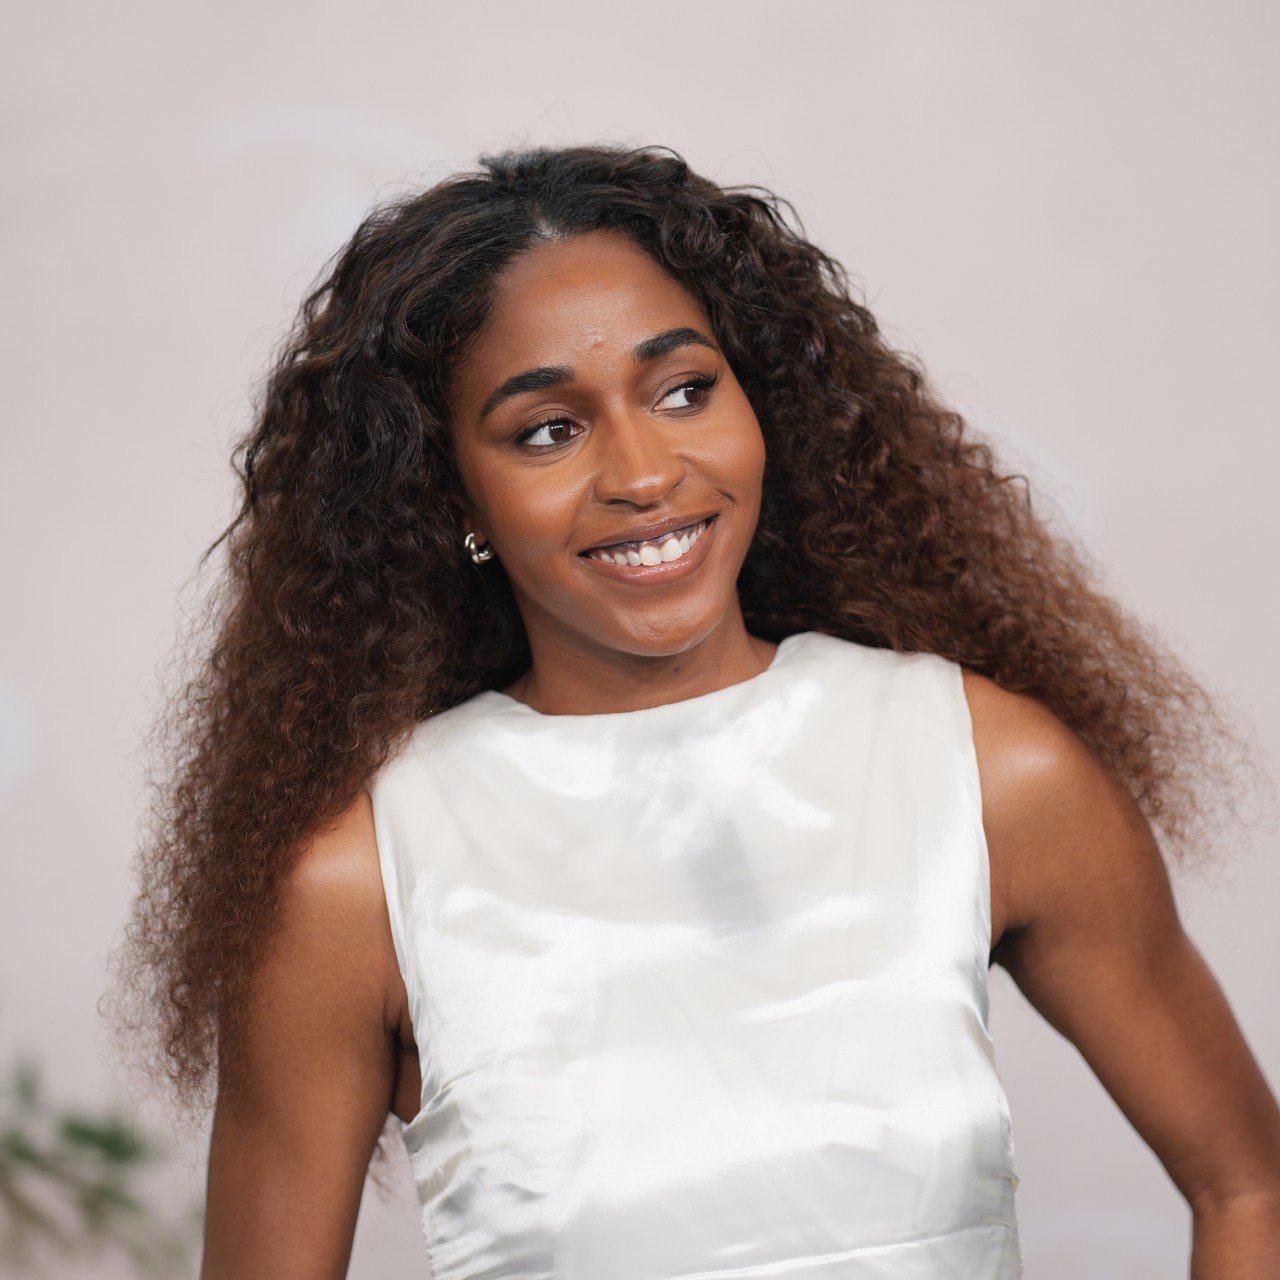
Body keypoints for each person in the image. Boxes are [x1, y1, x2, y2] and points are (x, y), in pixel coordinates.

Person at [122, 145, 1280, 1278]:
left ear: (759, 408)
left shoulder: (987, 769)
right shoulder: (357, 881)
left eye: (684, 390)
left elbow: (1248, 1183)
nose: (642, 471)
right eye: (547, 429)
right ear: (451, 495)